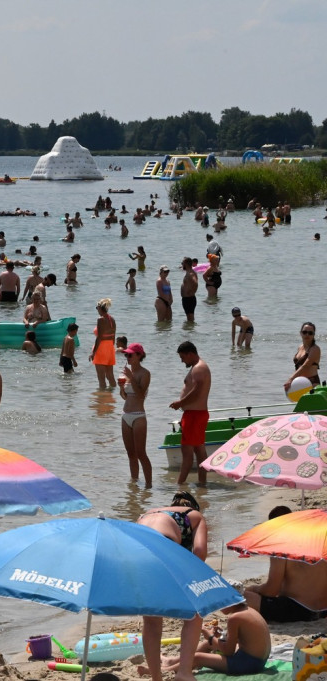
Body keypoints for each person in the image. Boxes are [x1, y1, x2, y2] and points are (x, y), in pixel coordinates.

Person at [137, 492, 208, 681]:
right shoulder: (194, 516)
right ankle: (184, 672)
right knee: (194, 613)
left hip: (137, 556)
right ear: (194, 507)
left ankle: (156, 677)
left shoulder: (145, 514)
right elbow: (199, 552)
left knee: (151, 621)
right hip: (164, 546)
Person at [244, 507, 327, 621]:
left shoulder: (281, 545)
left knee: (244, 597)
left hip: (298, 609)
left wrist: (255, 588)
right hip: (323, 610)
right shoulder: (319, 539)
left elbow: (271, 590)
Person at [159, 603, 269, 677]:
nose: (218, 606)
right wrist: (222, 636)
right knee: (208, 644)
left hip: (248, 664)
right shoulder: (249, 610)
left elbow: (228, 651)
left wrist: (210, 636)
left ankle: (165, 670)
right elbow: (243, 639)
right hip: (258, 660)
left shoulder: (234, 618)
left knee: (197, 658)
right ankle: (171, 661)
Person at [170, 341, 211, 485]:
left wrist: (180, 403)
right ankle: (202, 483)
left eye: (182, 357)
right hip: (197, 414)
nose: (182, 360)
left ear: (190, 354)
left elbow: (197, 391)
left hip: (194, 415)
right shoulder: (199, 367)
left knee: (187, 452)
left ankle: (180, 485)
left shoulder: (199, 368)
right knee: (199, 450)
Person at [119, 342, 152, 487]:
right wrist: (121, 388)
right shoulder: (127, 373)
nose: (127, 357)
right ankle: (134, 485)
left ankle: (148, 486)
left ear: (139, 356)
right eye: (126, 355)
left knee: (141, 454)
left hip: (138, 416)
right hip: (126, 415)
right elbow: (126, 397)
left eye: (130, 355)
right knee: (130, 454)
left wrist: (131, 378)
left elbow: (140, 396)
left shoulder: (145, 373)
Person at [285, 322, 321, 392]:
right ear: (300, 333)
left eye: (310, 333)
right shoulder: (300, 347)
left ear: (313, 335)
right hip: (299, 383)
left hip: (312, 383)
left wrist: (291, 379)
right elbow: (298, 367)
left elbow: (305, 366)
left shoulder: (315, 349)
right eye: (304, 332)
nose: (307, 334)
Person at [90, 298, 117, 389]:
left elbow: (99, 337)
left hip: (101, 348)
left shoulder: (100, 319)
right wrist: (110, 349)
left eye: (96, 308)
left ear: (100, 308)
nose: (96, 310)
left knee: (101, 378)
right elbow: (113, 337)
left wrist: (93, 352)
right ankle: (113, 394)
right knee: (110, 376)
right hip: (110, 347)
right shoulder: (112, 319)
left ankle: (101, 399)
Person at [180, 257, 199, 322]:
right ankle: (190, 331)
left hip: (189, 299)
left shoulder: (191, 273)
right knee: (190, 318)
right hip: (188, 298)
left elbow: (195, 282)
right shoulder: (190, 272)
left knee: (190, 319)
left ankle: (190, 331)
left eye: (182, 263)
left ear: (186, 264)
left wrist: (192, 291)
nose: (182, 265)